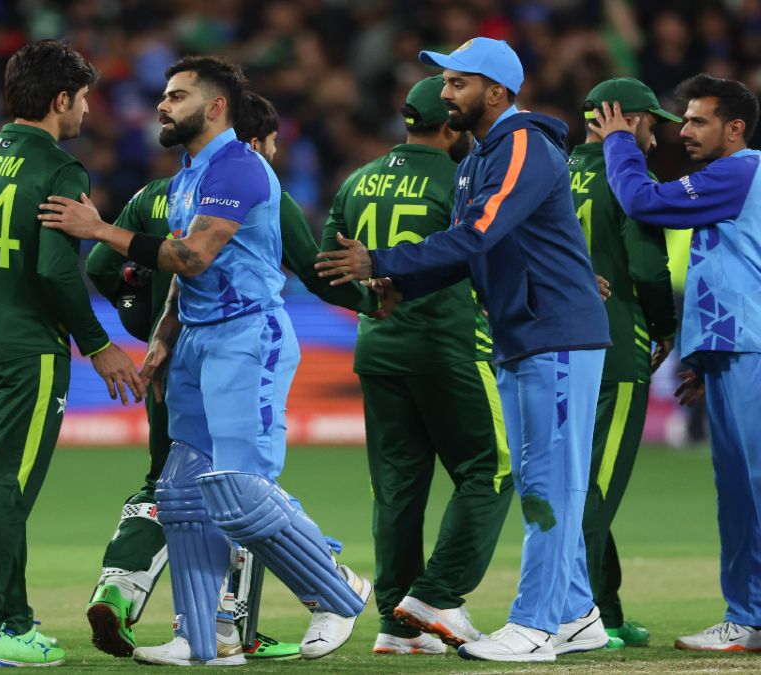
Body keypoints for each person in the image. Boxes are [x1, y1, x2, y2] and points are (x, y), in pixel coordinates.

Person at [40, 55, 370, 667]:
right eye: (164, 95)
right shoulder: (188, 175)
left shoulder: (238, 167)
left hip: (247, 339)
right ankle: (201, 639)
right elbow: (184, 276)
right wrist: (165, 335)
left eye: (177, 96)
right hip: (196, 340)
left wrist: (99, 229)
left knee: (239, 490)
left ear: (215, 106)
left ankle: (336, 588)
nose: (162, 105)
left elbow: (192, 256)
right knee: (181, 493)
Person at [315, 37, 611, 662]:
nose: (445, 92)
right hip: (524, 333)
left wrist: (381, 260)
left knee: (550, 483)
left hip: (556, 333)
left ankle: (535, 626)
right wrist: (402, 284)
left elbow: (478, 234)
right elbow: (467, 250)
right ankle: (576, 613)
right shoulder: (481, 156)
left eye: (458, 82)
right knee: (537, 479)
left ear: (496, 91)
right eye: (446, 81)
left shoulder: (522, 144)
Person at [0, 39, 143, 668]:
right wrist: (99, 345)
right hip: (26, 352)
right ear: (61, 99)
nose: (88, 110)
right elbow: (54, 270)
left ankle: (12, 622)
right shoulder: (60, 171)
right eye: (85, 98)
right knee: (8, 493)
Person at [319, 74, 514, 656]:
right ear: (452, 125)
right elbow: (482, 250)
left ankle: (397, 627)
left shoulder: (358, 180)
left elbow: (325, 264)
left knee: (397, 490)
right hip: (449, 344)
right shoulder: (463, 177)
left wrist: (369, 301)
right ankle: (436, 596)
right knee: (494, 469)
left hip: (378, 351)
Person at [592, 73, 761, 653]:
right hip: (733, 349)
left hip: (751, 350)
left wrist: (619, 140)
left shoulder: (739, 170)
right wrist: (707, 355)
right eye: (683, 119)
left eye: (697, 121)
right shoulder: (731, 180)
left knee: (751, 489)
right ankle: (748, 617)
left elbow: (642, 200)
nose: (683, 130)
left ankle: (750, 615)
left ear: (734, 128)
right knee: (739, 491)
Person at [569, 78, 680, 649]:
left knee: (579, 483)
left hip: (553, 349)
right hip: (615, 348)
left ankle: (606, 610)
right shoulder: (629, 179)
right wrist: (664, 326)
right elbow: (648, 268)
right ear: (628, 120)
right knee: (597, 488)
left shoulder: (551, 171)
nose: (656, 139)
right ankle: (578, 615)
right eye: (652, 125)